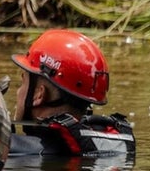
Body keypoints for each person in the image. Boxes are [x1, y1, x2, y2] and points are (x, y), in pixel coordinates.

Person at [9, 28, 135, 156]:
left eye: (22, 82)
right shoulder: (104, 144)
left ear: (38, 94)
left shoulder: (11, 149)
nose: (18, 91)